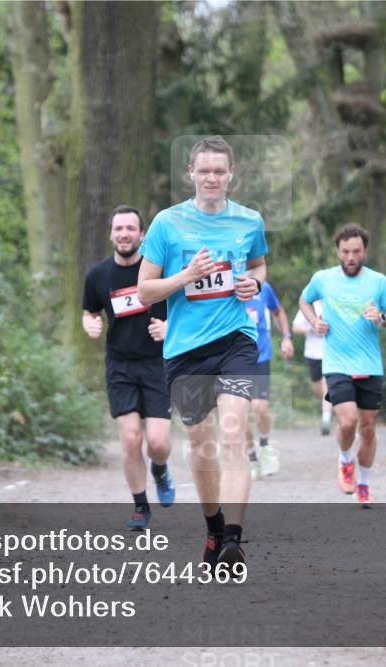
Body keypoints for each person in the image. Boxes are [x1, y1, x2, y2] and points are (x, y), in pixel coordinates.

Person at [138, 135, 267, 571]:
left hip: (236, 340)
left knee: (233, 436)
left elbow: (258, 265)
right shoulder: (166, 224)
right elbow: (144, 289)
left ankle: (233, 540)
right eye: (204, 171)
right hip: (185, 350)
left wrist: (255, 282)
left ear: (231, 175)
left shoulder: (249, 220)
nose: (212, 178)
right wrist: (186, 275)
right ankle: (213, 530)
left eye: (220, 171)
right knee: (201, 446)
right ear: (190, 174)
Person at [82, 205, 175, 531]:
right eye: (118, 228)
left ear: (141, 234)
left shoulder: (159, 273)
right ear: (111, 234)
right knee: (131, 439)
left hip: (157, 365)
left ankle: (160, 469)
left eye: (130, 229)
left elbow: (183, 311)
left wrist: (169, 329)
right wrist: (90, 324)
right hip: (120, 365)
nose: (123, 234)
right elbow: (90, 312)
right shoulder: (98, 276)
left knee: (158, 443)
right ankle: (140, 507)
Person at [298, 224, 386, 508]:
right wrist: (314, 322)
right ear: (338, 252)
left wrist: (380, 316)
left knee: (368, 428)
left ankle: (365, 484)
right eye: (345, 251)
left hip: (370, 364)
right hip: (337, 363)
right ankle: (345, 462)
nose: (351, 257)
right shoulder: (323, 279)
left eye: (356, 251)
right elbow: (304, 300)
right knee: (347, 421)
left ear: (365, 251)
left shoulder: (379, 282)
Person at [243, 280, 294, 480]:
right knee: (240, 413)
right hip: (234, 359)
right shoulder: (224, 285)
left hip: (260, 356)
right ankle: (251, 457)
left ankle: (264, 445)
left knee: (260, 408)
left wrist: (287, 337)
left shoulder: (263, 286)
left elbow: (278, 312)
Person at [291, 299, 334, 435]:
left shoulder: (334, 303)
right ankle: (335, 404)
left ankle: (325, 419)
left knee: (326, 383)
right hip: (313, 353)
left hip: (332, 352)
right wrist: (311, 328)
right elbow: (295, 327)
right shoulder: (310, 306)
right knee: (317, 388)